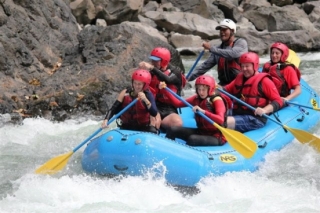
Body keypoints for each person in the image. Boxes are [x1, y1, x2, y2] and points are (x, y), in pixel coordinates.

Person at [223, 52, 284, 133]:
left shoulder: (265, 81)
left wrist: (264, 110)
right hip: (238, 113)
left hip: (255, 119)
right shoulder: (239, 78)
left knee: (222, 121)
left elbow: (278, 101)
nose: (244, 69)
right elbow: (225, 90)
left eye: (247, 66)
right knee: (215, 116)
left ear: (255, 66)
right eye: (242, 66)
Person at [158, 75, 228, 146]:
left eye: (203, 90)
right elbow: (178, 104)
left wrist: (203, 111)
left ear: (210, 89)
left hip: (216, 136)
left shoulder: (217, 100)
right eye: (199, 89)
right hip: (202, 132)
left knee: (192, 139)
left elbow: (220, 119)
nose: (201, 92)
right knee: (172, 130)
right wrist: (165, 89)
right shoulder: (196, 98)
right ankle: (168, 149)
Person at [187, 19, 248, 86]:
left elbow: (232, 54)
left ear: (232, 31)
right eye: (221, 30)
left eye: (224, 30)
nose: (222, 32)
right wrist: (187, 78)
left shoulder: (241, 43)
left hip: (240, 85)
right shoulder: (218, 49)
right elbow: (204, 67)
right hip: (223, 85)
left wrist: (211, 48)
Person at [139, 47, 185, 130]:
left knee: (177, 123)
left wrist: (152, 68)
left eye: (156, 61)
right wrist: (141, 71)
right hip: (154, 104)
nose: (153, 63)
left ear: (164, 61)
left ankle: (161, 124)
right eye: (152, 60)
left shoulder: (175, 72)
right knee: (153, 121)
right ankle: (155, 123)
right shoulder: (151, 72)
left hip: (169, 108)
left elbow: (167, 79)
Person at [101, 69, 158, 134]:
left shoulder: (148, 95)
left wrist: (145, 100)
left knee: (153, 131)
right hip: (126, 126)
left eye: (139, 84)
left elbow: (154, 113)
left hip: (142, 128)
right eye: (135, 83)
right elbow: (113, 109)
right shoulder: (125, 93)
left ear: (145, 85)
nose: (136, 86)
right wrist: (106, 120)